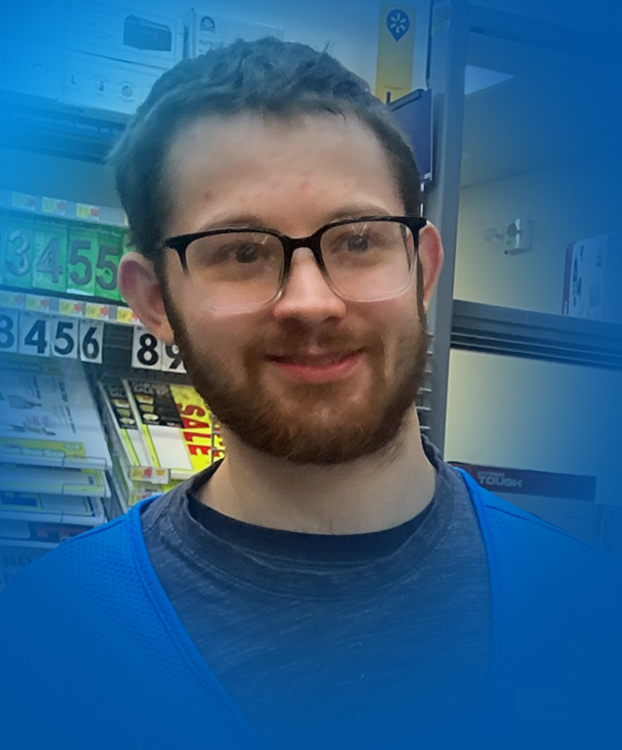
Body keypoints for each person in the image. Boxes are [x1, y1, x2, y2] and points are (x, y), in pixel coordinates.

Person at [0, 38, 620, 750]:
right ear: (154, 302)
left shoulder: (590, 616)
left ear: (421, 270)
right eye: (240, 251)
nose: (310, 301)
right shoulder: (46, 640)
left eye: (357, 240)